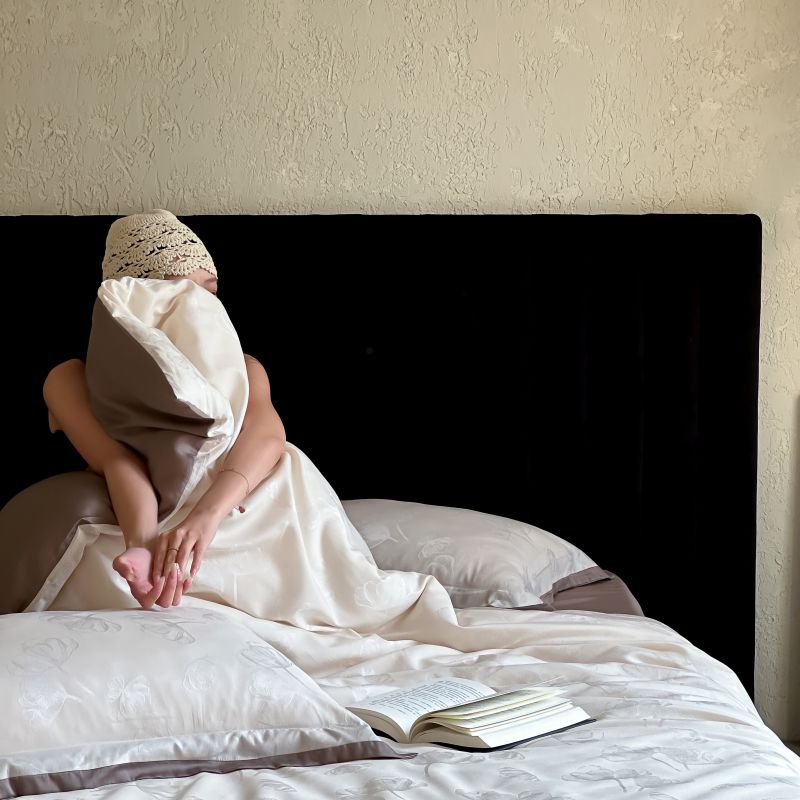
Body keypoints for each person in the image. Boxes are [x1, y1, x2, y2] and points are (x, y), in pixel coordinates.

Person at [42, 210, 286, 611]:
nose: (199, 307)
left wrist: (205, 518)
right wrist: (142, 545)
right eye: (177, 291)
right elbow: (118, 461)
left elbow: (268, 436)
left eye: (209, 292)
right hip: (142, 520)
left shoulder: (245, 370)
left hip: (240, 507)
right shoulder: (71, 380)